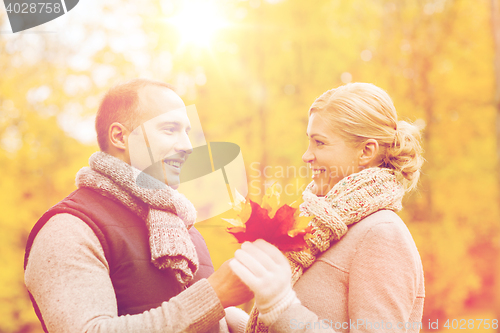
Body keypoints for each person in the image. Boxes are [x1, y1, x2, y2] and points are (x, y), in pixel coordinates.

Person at [24, 79, 252, 333]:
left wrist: (241, 320)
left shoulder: (182, 227)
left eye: (187, 131)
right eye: (170, 129)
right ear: (120, 137)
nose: (188, 146)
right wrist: (214, 297)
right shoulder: (69, 228)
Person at [230, 82, 425, 333]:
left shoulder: (382, 235)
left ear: (366, 151)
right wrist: (235, 324)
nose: (307, 155)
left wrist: (280, 306)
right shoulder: (321, 229)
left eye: (319, 143)